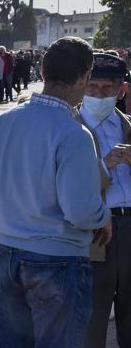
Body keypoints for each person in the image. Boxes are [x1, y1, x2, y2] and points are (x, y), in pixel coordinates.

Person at [0, 37, 112, 348]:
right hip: (59, 260)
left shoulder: (3, 122)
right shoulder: (74, 133)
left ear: (42, 72)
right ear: (84, 77)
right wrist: (103, 216)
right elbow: (81, 211)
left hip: (8, 255)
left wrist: (8, 218)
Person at [80, 54, 131, 348]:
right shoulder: (71, 127)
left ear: (121, 89)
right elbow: (66, 184)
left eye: (107, 88)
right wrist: (105, 165)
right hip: (96, 228)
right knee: (93, 313)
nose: (99, 94)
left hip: (129, 224)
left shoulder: (127, 125)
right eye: (92, 87)